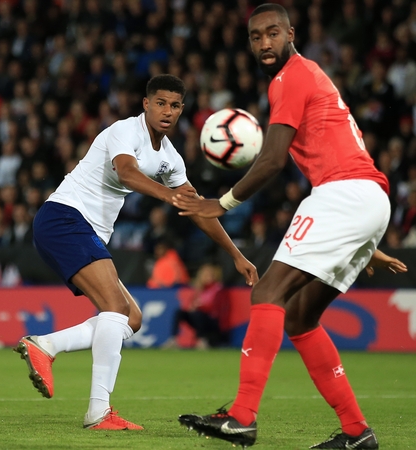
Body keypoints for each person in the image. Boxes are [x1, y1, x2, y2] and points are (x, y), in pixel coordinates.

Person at [174, 5, 407, 449]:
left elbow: (274, 160)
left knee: (267, 293)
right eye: (256, 36)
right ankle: (358, 434)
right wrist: (365, 239)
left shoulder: (291, 78)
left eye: (273, 33)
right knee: (300, 318)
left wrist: (219, 204)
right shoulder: (306, 76)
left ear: (291, 34)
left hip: (344, 195)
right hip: (368, 200)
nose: (264, 43)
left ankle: (242, 416)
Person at [14, 74, 259, 430]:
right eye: (160, 103)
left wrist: (235, 254)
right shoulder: (124, 131)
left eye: (175, 105)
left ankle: (45, 346)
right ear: (146, 104)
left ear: (181, 110)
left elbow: (196, 208)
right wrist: (168, 195)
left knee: (131, 318)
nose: (167, 111)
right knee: (115, 308)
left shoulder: (171, 159)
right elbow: (127, 173)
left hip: (85, 231)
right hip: (64, 218)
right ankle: (99, 412)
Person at [160, 262, 226, 350]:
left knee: (197, 314)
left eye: (210, 275)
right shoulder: (199, 289)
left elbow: (215, 307)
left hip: (211, 320)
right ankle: (173, 340)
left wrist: (199, 307)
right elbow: (193, 303)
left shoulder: (218, 289)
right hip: (198, 317)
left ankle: (201, 341)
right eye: (205, 275)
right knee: (180, 312)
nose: (207, 277)